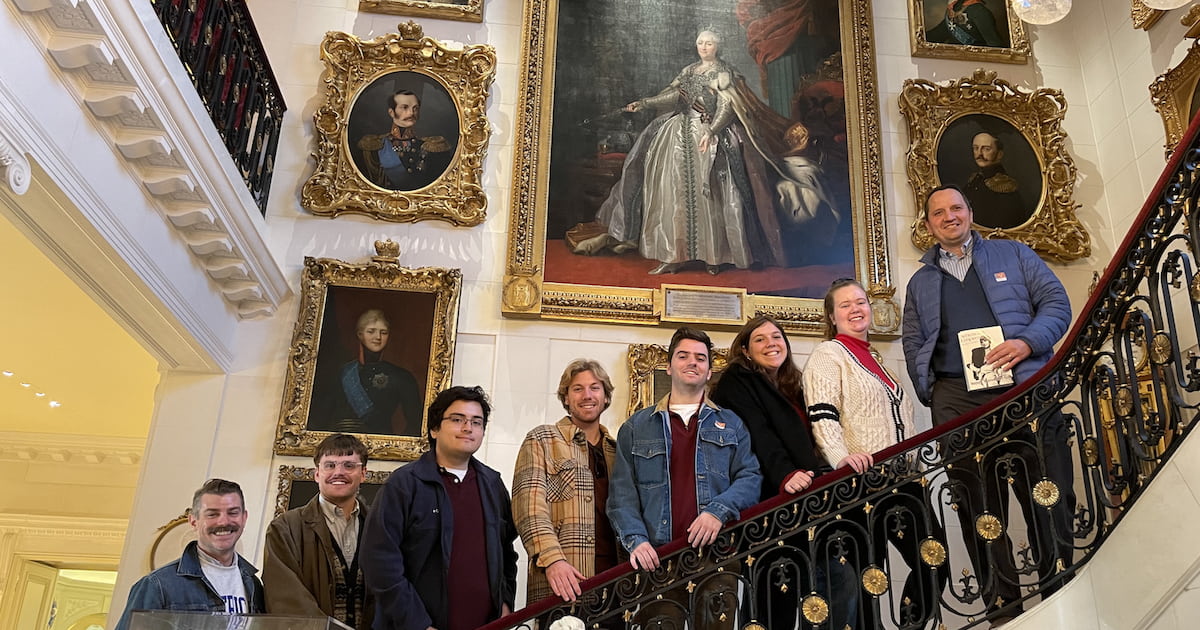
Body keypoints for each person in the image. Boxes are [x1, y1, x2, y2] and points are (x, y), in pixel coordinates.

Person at [903, 185, 1075, 625]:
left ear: (970, 212)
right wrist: (932, 388)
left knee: (1047, 495)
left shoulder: (1014, 254)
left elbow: (1057, 303)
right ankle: (1005, 614)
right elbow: (913, 339)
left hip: (1024, 393)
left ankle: (1066, 599)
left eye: (956, 208)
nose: (949, 217)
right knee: (979, 509)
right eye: (938, 213)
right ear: (928, 225)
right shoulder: (920, 281)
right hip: (957, 403)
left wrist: (1027, 342)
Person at [592, 28, 801, 275]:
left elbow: (727, 106)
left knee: (712, 193)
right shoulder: (689, 71)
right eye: (700, 42)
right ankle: (674, 255)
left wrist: (712, 131)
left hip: (710, 134)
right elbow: (674, 97)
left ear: (717, 46)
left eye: (709, 43)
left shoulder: (724, 73)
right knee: (674, 194)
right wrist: (645, 103)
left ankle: (714, 255)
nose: (704, 47)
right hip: (677, 135)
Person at [805, 278, 948, 629]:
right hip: (861, 482)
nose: (856, 309)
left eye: (861, 302)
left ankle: (909, 625)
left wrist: (915, 466)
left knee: (934, 559)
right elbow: (822, 415)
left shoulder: (879, 361)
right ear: (832, 316)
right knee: (871, 577)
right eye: (846, 305)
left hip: (902, 480)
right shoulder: (829, 355)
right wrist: (840, 459)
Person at [607, 327, 763, 630]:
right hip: (660, 560)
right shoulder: (636, 428)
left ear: (708, 371)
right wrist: (636, 542)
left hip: (717, 556)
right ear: (669, 366)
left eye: (700, 358)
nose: (692, 362)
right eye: (683, 356)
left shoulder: (731, 424)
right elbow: (622, 497)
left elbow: (750, 477)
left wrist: (717, 512)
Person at [708, 315, 855, 630]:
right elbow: (756, 433)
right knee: (776, 600)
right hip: (774, 502)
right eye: (760, 339)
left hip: (813, 498)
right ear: (745, 350)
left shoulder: (794, 384)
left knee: (835, 585)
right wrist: (785, 473)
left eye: (776, 336)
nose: (771, 343)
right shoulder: (738, 379)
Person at [360, 385, 518, 630]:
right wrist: (417, 624)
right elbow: (379, 562)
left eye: (477, 422)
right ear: (435, 429)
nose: (468, 428)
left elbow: (507, 553)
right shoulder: (404, 484)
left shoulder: (493, 484)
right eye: (457, 419)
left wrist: (505, 604)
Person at [512, 359, 619, 607]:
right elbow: (529, 509)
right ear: (566, 398)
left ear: (605, 397)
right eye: (577, 388)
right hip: (562, 577)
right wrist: (552, 559)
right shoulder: (542, 439)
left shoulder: (617, 451)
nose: (587, 395)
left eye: (595, 387)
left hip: (615, 581)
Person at [115, 479, 264, 630]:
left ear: (244, 518)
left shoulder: (254, 584)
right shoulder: (157, 585)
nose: (223, 521)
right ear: (194, 521)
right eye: (212, 514)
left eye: (233, 513)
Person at [263, 433, 373, 628]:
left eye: (349, 465)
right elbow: (285, 598)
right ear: (317, 474)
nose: (338, 472)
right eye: (330, 465)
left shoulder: (382, 527)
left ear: (363, 474)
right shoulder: (284, 528)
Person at [312, 308, 423, 436]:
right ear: (360, 334)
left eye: (384, 332)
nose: (378, 337)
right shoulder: (342, 374)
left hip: (381, 445)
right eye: (371, 331)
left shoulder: (401, 376)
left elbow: (415, 425)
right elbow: (320, 419)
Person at [357, 90, 452, 191]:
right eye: (404, 107)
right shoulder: (373, 146)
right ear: (391, 112)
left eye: (415, 108)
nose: (411, 113)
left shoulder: (432, 147)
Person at [962, 131, 1026, 229]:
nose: (979, 153)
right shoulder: (974, 179)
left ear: (999, 154)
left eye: (986, 149)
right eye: (976, 148)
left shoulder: (1006, 186)